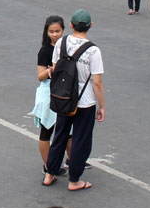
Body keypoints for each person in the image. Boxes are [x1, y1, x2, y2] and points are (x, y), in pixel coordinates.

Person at [42, 10, 105, 191]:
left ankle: (50, 173)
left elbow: (55, 68)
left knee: (60, 135)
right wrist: (102, 106)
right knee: (80, 139)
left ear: (71, 26)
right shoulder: (93, 51)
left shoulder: (61, 42)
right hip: (84, 102)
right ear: (90, 26)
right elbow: (97, 83)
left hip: (63, 98)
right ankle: (74, 179)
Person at [31, 16, 69, 174]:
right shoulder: (45, 51)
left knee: (68, 129)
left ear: (63, 30)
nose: (55, 34)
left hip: (66, 91)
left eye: (58, 31)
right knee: (47, 131)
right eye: (51, 32)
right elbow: (40, 76)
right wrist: (50, 71)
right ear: (46, 33)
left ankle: (72, 159)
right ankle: (48, 166)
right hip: (48, 92)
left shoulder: (67, 47)